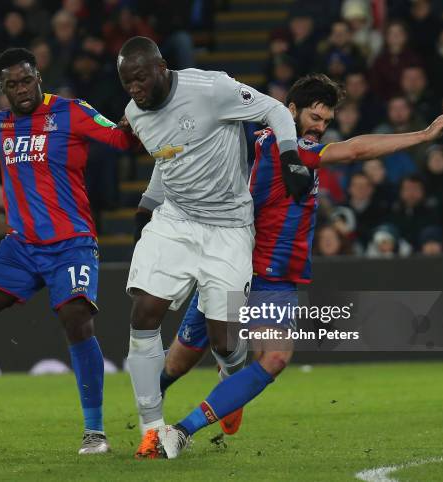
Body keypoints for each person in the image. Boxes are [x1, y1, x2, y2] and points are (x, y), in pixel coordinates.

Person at [137, 74, 443, 459]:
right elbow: (355, 151)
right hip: (240, 266)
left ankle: (180, 430)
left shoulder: (285, 144)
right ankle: (150, 422)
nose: (319, 127)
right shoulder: (281, 143)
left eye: (325, 121)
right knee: (182, 357)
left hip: (272, 275)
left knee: (273, 357)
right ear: (289, 111)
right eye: (313, 116)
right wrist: (422, 136)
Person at [0, 47, 136, 454]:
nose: (21, 89)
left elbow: (118, 138)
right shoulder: (3, 124)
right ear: (3, 89)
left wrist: (134, 120)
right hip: (22, 246)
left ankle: (95, 431)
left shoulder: (72, 111)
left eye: (26, 80)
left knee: (76, 319)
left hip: (72, 243)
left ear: (38, 78)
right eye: (12, 84)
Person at [116, 36, 305, 457]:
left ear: (161, 67)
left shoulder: (211, 88)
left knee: (223, 341)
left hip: (229, 228)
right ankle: (152, 427)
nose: (134, 89)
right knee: (144, 312)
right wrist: (147, 206)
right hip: (177, 223)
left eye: (140, 78)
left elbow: (274, 109)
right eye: (127, 82)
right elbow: (169, 159)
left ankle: (230, 383)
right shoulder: (135, 113)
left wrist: (290, 154)